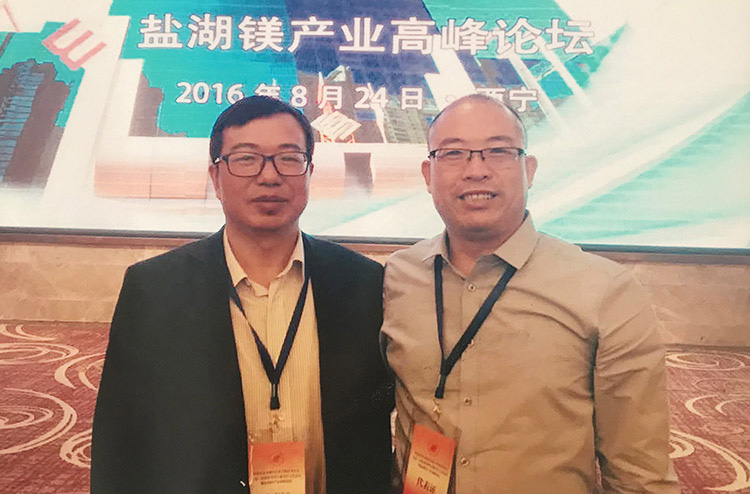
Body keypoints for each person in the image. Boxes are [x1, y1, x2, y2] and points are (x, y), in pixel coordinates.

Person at [91, 96, 393, 494]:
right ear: (215, 177)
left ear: (309, 172)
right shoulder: (154, 290)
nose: (269, 176)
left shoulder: (363, 282)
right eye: (246, 159)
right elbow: (120, 435)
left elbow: (379, 413)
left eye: (288, 158)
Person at [380, 94, 679, 494]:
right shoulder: (397, 278)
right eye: (453, 153)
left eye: (498, 151)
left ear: (529, 169)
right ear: (427, 173)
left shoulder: (605, 292)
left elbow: (639, 472)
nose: (476, 170)